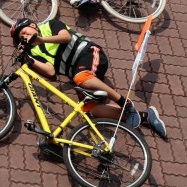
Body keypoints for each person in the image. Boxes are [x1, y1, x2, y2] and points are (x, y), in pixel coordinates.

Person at [11, 18, 167, 138]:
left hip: (89, 53)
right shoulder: (34, 51)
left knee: (81, 77)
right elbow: (51, 72)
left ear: (32, 25)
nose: (24, 36)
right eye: (21, 37)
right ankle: (145, 117)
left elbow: (65, 37)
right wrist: (29, 60)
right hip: (78, 73)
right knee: (90, 109)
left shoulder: (49, 25)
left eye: (24, 32)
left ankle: (124, 102)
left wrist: (42, 40)